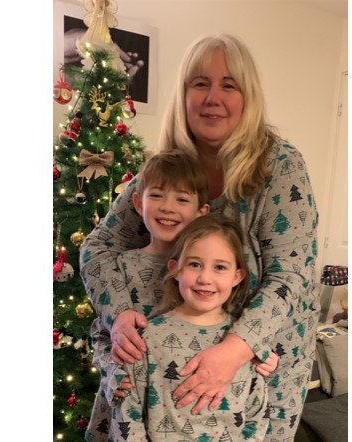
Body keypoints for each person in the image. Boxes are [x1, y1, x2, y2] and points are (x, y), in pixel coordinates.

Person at [80, 33, 319, 441]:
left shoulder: (280, 166)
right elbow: (98, 247)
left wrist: (235, 350)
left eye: (229, 85)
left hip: (250, 378)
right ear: (184, 93)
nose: (213, 97)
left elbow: (292, 277)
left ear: (248, 97)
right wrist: (118, 314)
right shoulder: (163, 170)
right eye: (200, 83)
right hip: (154, 380)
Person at [111, 215, 276, 441]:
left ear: (237, 276)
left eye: (219, 267)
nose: (205, 278)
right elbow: (128, 415)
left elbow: (257, 414)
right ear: (176, 269)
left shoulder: (246, 343)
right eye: (194, 264)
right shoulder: (147, 338)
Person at [84, 149, 210, 440]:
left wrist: (259, 353)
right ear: (139, 204)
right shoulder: (121, 268)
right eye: (157, 196)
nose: (168, 207)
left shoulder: (205, 276)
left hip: (181, 409)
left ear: (201, 212)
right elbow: (101, 335)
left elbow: (225, 324)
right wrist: (111, 371)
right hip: (126, 405)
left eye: (182, 199)